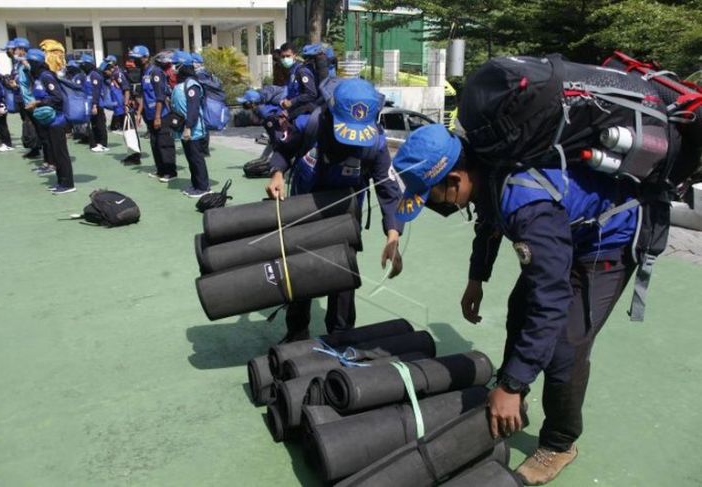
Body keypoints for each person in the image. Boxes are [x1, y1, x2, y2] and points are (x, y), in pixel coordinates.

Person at [391, 124, 640, 485]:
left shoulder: (525, 203)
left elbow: (552, 300)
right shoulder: (488, 171)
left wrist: (509, 385)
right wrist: (477, 277)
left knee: (565, 346)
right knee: (520, 305)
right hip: (562, 235)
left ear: (457, 179)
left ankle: (559, 442)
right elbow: (488, 224)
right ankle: (514, 395)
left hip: (605, 242)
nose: (436, 205)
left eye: (434, 197)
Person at [266, 78, 404, 342]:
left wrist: (393, 233)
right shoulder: (310, 125)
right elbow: (283, 150)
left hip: (345, 216)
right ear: (330, 114)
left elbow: (388, 189)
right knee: (300, 271)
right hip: (303, 211)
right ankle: (297, 332)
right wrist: (277, 173)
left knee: (343, 277)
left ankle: (340, 335)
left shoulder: (374, 144)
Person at [25, 48, 75, 194]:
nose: (28, 64)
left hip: (57, 120)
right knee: (54, 152)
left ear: (35, 62)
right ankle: (61, 181)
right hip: (48, 120)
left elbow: (57, 97)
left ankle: (68, 183)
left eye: (30, 62)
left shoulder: (46, 76)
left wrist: (37, 103)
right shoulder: (40, 77)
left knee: (60, 153)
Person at [129, 45, 177, 182]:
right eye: (134, 58)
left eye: (137, 58)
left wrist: (157, 117)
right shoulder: (144, 72)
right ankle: (160, 170)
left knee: (164, 143)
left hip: (161, 115)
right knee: (155, 143)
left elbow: (160, 96)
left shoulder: (156, 72)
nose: (135, 61)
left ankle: (170, 172)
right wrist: (139, 113)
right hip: (149, 115)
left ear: (146, 57)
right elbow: (145, 95)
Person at [171, 51, 211, 198]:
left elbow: (193, 109)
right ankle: (196, 184)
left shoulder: (192, 85)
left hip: (193, 130)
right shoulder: (181, 84)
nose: (173, 68)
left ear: (183, 66)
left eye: (176, 65)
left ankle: (203, 187)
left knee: (196, 158)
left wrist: (188, 127)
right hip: (184, 129)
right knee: (190, 158)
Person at [278, 42, 318, 120]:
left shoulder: (302, 71)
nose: (285, 59)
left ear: (294, 56)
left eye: (288, 56)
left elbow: (311, 94)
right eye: (283, 57)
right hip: (295, 108)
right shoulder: (292, 71)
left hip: (305, 110)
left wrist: (292, 102)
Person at [79, 54, 109, 152]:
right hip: (89, 104)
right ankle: (96, 143)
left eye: (84, 64)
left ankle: (103, 144)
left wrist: (95, 105)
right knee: (94, 124)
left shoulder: (95, 75)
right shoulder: (87, 75)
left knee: (100, 124)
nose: (82, 66)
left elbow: (96, 91)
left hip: (97, 104)